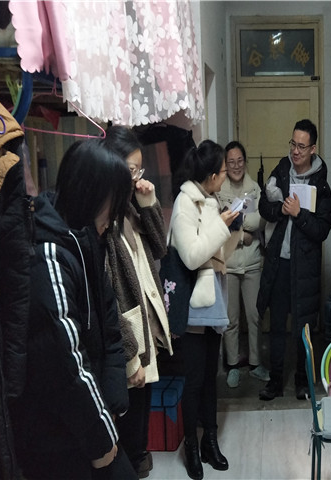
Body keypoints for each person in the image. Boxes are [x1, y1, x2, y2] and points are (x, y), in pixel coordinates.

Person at [9, 139, 137, 479]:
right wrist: (101, 437)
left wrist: (113, 404)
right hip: (58, 433)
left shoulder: (88, 240)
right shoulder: (49, 255)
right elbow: (65, 361)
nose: (115, 214)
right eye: (114, 202)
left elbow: (109, 322)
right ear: (92, 194)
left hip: (90, 417)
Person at [103, 126, 174, 478]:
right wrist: (130, 356)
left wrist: (149, 202)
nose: (137, 178)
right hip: (127, 343)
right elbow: (108, 298)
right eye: (132, 170)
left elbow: (160, 247)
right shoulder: (102, 220)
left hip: (144, 334)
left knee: (139, 436)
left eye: (139, 170)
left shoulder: (129, 208)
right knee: (129, 439)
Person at [169, 140, 239, 480]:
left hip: (214, 300)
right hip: (194, 306)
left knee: (211, 378)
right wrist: (222, 226)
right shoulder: (185, 202)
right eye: (223, 172)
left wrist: (232, 228)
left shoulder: (210, 201)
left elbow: (217, 252)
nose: (225, 177)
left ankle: (210, 441)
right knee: (194, 380)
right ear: (211, 176)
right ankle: (192, 447)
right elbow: (193, 255)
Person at [256, 119, 331, 401]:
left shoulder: (321, 184)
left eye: (301, 146)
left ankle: (302, 381)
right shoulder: (281, 170)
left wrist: (299, 214)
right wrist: (282, 209)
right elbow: (264, 206)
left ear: (313, 149)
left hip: (305, 269)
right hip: (279, 263)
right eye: (293, 144)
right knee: (277, 326)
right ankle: (275, 382)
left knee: (304, 329)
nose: (295, 151)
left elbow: (322, 230)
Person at [216, 141, 270, 388]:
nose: (236, 166)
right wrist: (241, 236)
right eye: (231, 162)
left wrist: (236, 221)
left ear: (245, 162)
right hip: (228, 264)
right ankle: (233, 365)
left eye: (239, 161)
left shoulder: (254, 188)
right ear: (225, 165)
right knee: (231, 320)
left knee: (255, 316)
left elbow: (260, 221)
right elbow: (219, 224)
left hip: (252, 263)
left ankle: (256, 364)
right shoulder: (220, 189)